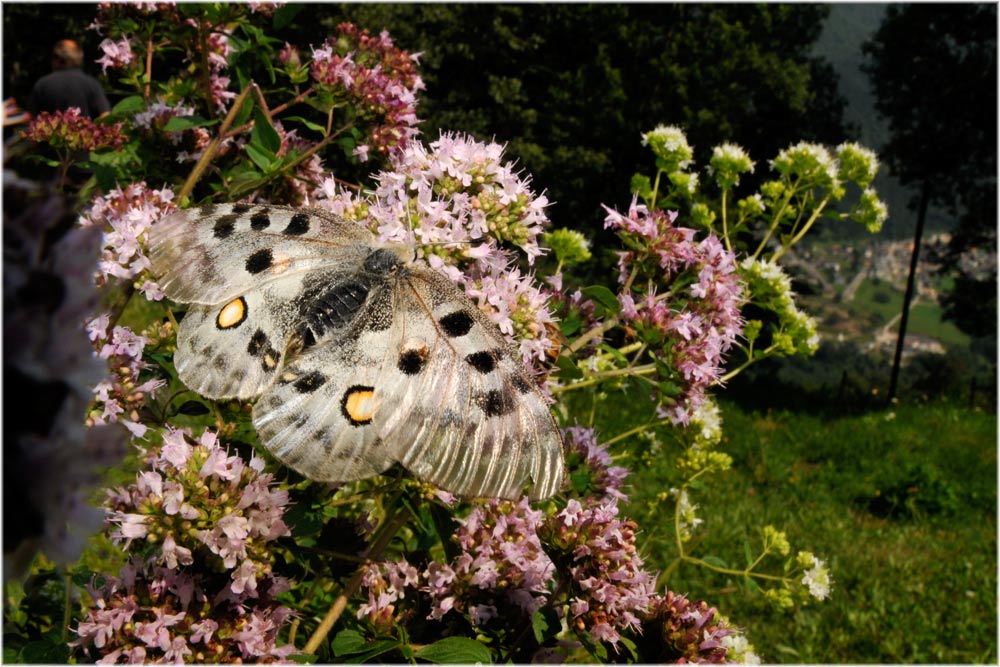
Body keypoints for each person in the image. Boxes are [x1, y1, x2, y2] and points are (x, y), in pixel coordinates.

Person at [28, 39, 110, 119]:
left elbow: (32, 118)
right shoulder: (91, 83)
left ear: (57, 58)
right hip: (84, 131)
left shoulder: (42, 84)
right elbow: (105, 115)